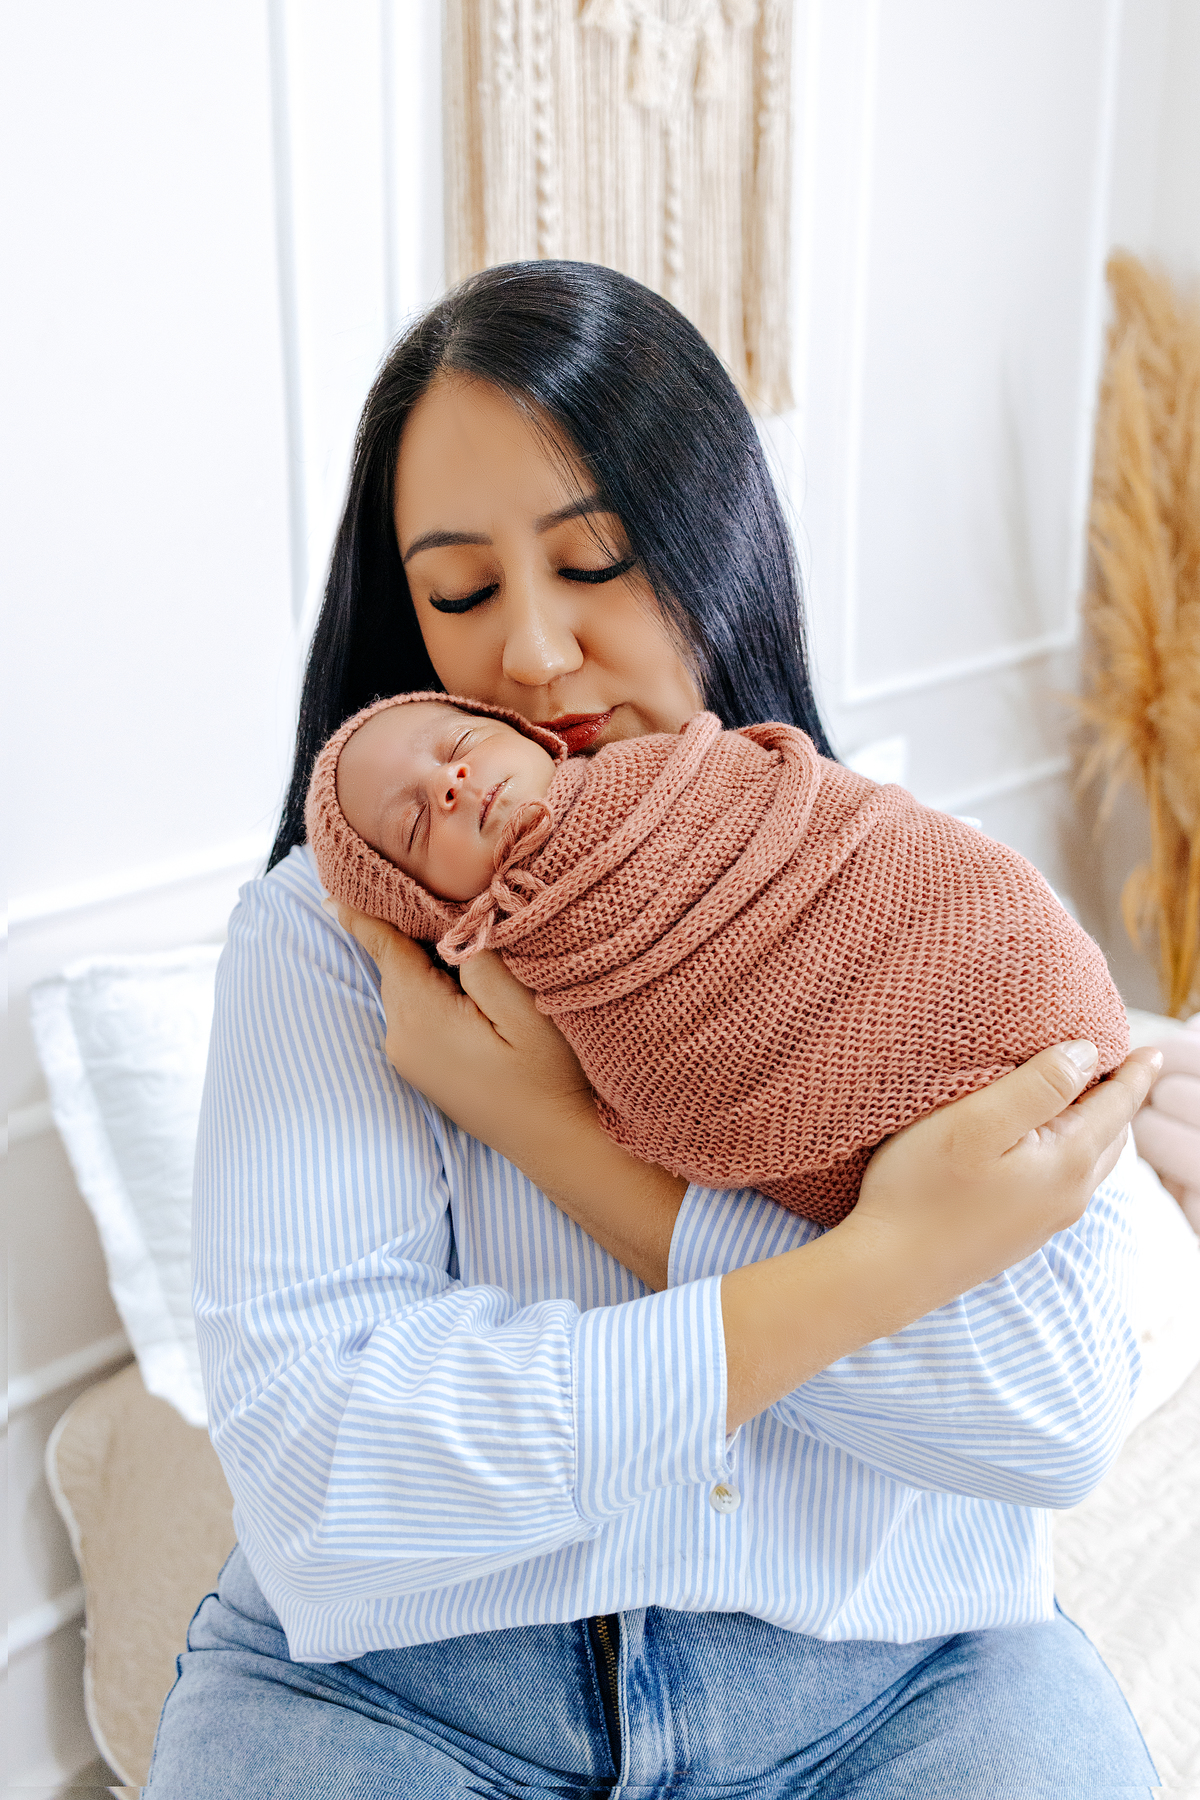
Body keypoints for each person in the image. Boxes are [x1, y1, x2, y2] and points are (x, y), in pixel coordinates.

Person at [147, 262, 1162, 1798]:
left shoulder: (896, 880)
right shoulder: (340, 938)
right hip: (401, 1697)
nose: (532, 654)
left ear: (713, 541)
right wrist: (892, 1262)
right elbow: (326, 1471)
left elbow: (1049, 1413)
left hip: (892, 1680)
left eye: (596, 561)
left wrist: (554, 1139)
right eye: (461, 594)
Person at [307, 689, 1128, 1228]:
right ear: (428, 907)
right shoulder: (526, 971)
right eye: (416, 824)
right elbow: (664, 1059)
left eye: (461, 742)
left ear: (532, 735)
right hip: (870, 1143)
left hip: (972, 934)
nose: (449, 783)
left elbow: (844, 827)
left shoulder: (677, 767)